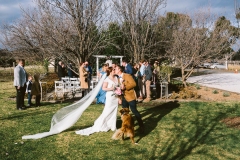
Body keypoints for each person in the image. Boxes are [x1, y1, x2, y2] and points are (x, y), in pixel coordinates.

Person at [75, 67, 119, 136]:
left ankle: (113, 125)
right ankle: (102, 124)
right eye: (113, 70)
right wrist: (111, 88)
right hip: (110, 96)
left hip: (115, 97)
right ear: (110, 71)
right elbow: (103, 88)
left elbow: (118, 86)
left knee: (114, 111)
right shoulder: (107, 79)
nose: (114, 71)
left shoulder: (116, 78)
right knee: (107, 111)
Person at [114, 65, 145, 133]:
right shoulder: (118, 78)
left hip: (130, 97)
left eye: (115, 69)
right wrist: (119, 97)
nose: (114, 70)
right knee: (124, 113)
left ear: (119, 70)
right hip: (123, 97)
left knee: (134, 111)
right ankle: (126, 126)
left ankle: (141, 126)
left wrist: (125, 87)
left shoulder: (127, 75)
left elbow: (134, 84)